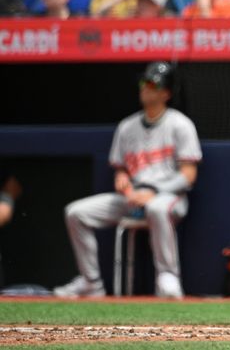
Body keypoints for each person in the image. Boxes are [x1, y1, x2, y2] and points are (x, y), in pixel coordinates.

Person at [54, 62, 201, 299]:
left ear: (166, 93)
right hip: (132, 197)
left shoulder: (180, 124)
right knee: (76, 213)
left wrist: (153, 191)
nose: (145, 88)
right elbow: (121, 169)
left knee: (157, 207)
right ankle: (91, 282)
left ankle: (168, 277)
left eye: (152, 84)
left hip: (168, 197)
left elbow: (188, 175)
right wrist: (122, 181)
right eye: (144, 82)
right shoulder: (127, 127)